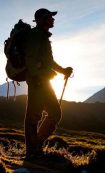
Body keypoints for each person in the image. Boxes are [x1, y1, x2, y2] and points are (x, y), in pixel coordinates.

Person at [24, 8, 73, 159]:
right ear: (41, 19)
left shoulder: (43, 36)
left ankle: (35, 147)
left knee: (53, 114)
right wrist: (36, 77)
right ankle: (33, 151)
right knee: (35, 116)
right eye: (49, 17)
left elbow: (48, 61)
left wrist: (63, 70)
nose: (53, 19)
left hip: (43, 80)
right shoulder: (36, 35)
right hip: (38, 81)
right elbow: (29, 58)